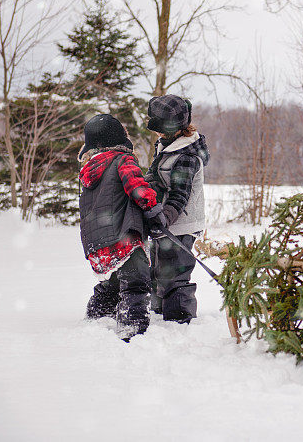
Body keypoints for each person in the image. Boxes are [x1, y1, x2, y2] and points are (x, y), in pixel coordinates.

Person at [78, 114, 166, 340]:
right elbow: (137, 188)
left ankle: (98, 313)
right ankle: (132, 328)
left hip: (98, 242)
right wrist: (153, 210)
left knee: (118, 278)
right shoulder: (122, 160)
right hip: (122, 237)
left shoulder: (90, 168)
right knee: (137, 280)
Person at [145, 95, 210, 323]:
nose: (158, 134)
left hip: (181, 222)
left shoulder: (187, 155)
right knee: (158, 270)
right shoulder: (166, 145)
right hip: (165, 220)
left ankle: (180, 319)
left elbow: (179, 194)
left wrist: (163, 218)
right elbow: (156, 177)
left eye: (161, 129)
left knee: (175, 273)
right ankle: (158, 314)